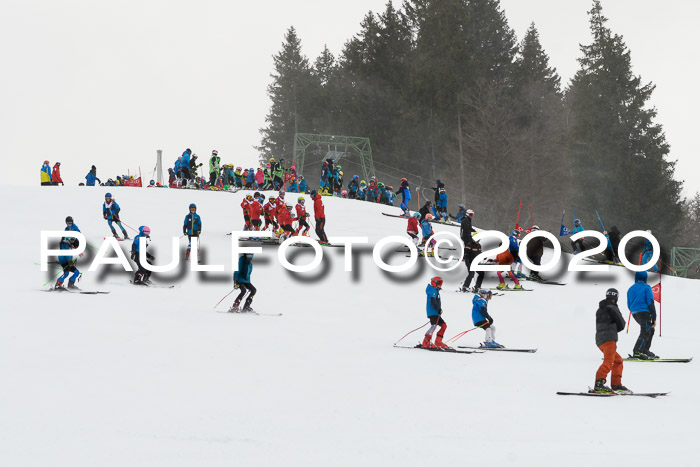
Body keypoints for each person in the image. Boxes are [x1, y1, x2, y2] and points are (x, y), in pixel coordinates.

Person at [592, 288, 631, 394]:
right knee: (608, 361)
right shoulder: (612, 308)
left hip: (600, 340)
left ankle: (616, 384)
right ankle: (599, 384)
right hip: (609, 340)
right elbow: (622, 324)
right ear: (616, 298)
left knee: (618, 360)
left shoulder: (600, 309)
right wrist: (614, 329)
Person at [627, 271, 658, 360]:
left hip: (634, 313)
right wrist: (654, 317)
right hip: (644, 312)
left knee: (650, 330)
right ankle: (637, 351)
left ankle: (644, 349)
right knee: (646, 330)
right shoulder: (646, 287)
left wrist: (633, 310)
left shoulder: (631, 288)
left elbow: (628, 303)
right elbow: (650, 302)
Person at [421, 276, 449, 349]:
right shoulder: (432, 291)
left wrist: (439, 310)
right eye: (439, 283)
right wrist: (438, 309)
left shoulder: (435, 291)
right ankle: (426, 342)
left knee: (443, 325)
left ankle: (438, 342)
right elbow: (433, 301)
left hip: (435, 312)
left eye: (441, 283)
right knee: (434, 326)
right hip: (433, 312)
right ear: (434, 283)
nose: (440, 285)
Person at [55, 216, 82, 289]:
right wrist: (70, 263)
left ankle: (61, 283)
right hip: (66, 257)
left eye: (70, 223)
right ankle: (68, 283)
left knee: (66, 273)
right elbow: (67, 255)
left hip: (62, 258)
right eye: (68, 223)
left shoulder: (72, 229)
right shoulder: (67, 231)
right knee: (76, 272)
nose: (69, 224)